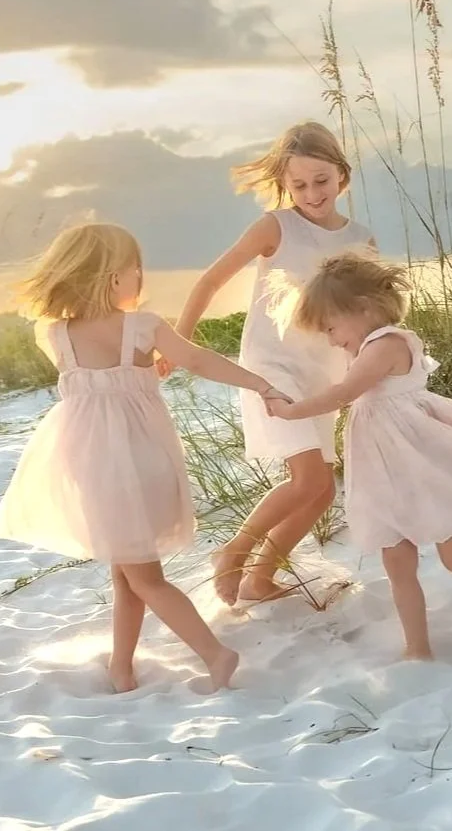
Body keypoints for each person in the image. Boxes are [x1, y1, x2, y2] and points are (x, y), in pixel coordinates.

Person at [0, 222, 290, 692]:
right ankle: (122, 668)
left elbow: (92, 392)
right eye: (136, 268)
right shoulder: (144, 328)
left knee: (144, 577)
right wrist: (259, 383)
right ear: (114, 277)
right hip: (147, 459)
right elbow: (198, 361)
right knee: (128, 573)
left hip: (96, 468)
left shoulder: (54, 335)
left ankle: (216, 654)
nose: (141, 277)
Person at [264, 251, 452, 660]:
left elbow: (345, 392)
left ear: (363, 308)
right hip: (383, 473)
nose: (332, 340)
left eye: (332, 327)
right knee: (397, 564)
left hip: (421, 466)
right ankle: (417, 647)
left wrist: (292, 411)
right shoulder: (364, 348)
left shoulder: (386, 345)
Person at [164, 121, 374, 604]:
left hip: (325, 375)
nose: (312, 193)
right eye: (298, 184)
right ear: (285, 184)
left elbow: (370, 314)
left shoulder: (362, 239)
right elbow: (209, 282)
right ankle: (233, 554)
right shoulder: (275, 226)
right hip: (271, 369)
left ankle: (259, 579)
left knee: (320, 493)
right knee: (311, 479)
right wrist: (180, 341)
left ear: (342, 175)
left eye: (321, 180)